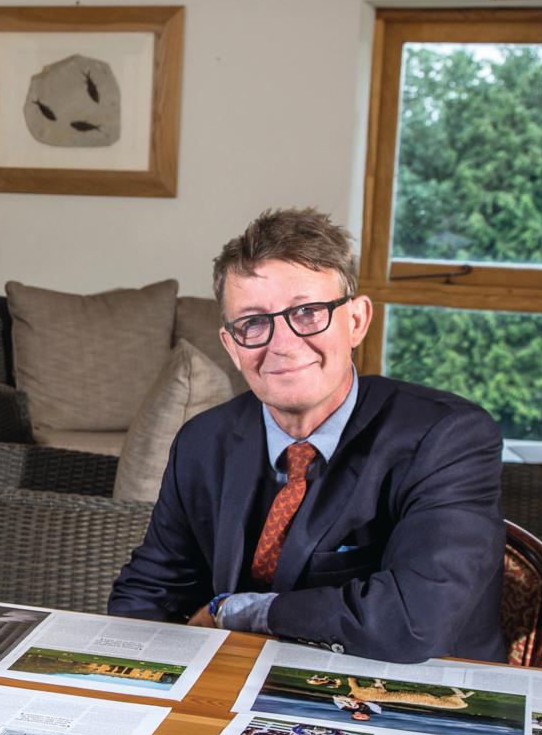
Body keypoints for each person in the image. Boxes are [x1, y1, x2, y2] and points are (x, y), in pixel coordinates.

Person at [107, 208, 506, 663]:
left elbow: (413, 621)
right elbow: (149, 591)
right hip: (239, 689)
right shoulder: (204, 440)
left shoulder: (448, 438)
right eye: (253, 322)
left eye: (308, 312)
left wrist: (235, 611)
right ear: (232, 346)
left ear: (356, 321)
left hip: (418, 696)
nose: (282, 343)